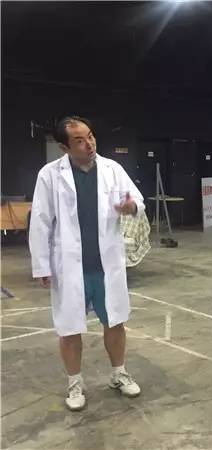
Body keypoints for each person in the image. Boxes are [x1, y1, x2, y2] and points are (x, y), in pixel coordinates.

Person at [29, 116, 144, 411]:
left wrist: (131, 206)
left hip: (106, 264)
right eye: (79, 141)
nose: (89, 144)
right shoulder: (50, 175)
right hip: (70, 266)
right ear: (64, 147)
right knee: (69, 328)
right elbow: (40, 221)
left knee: (114, 321)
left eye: (90, 136)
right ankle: (75, 382)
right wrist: (41, 265)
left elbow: (136, 200)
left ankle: (118, 373)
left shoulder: (112, 169)